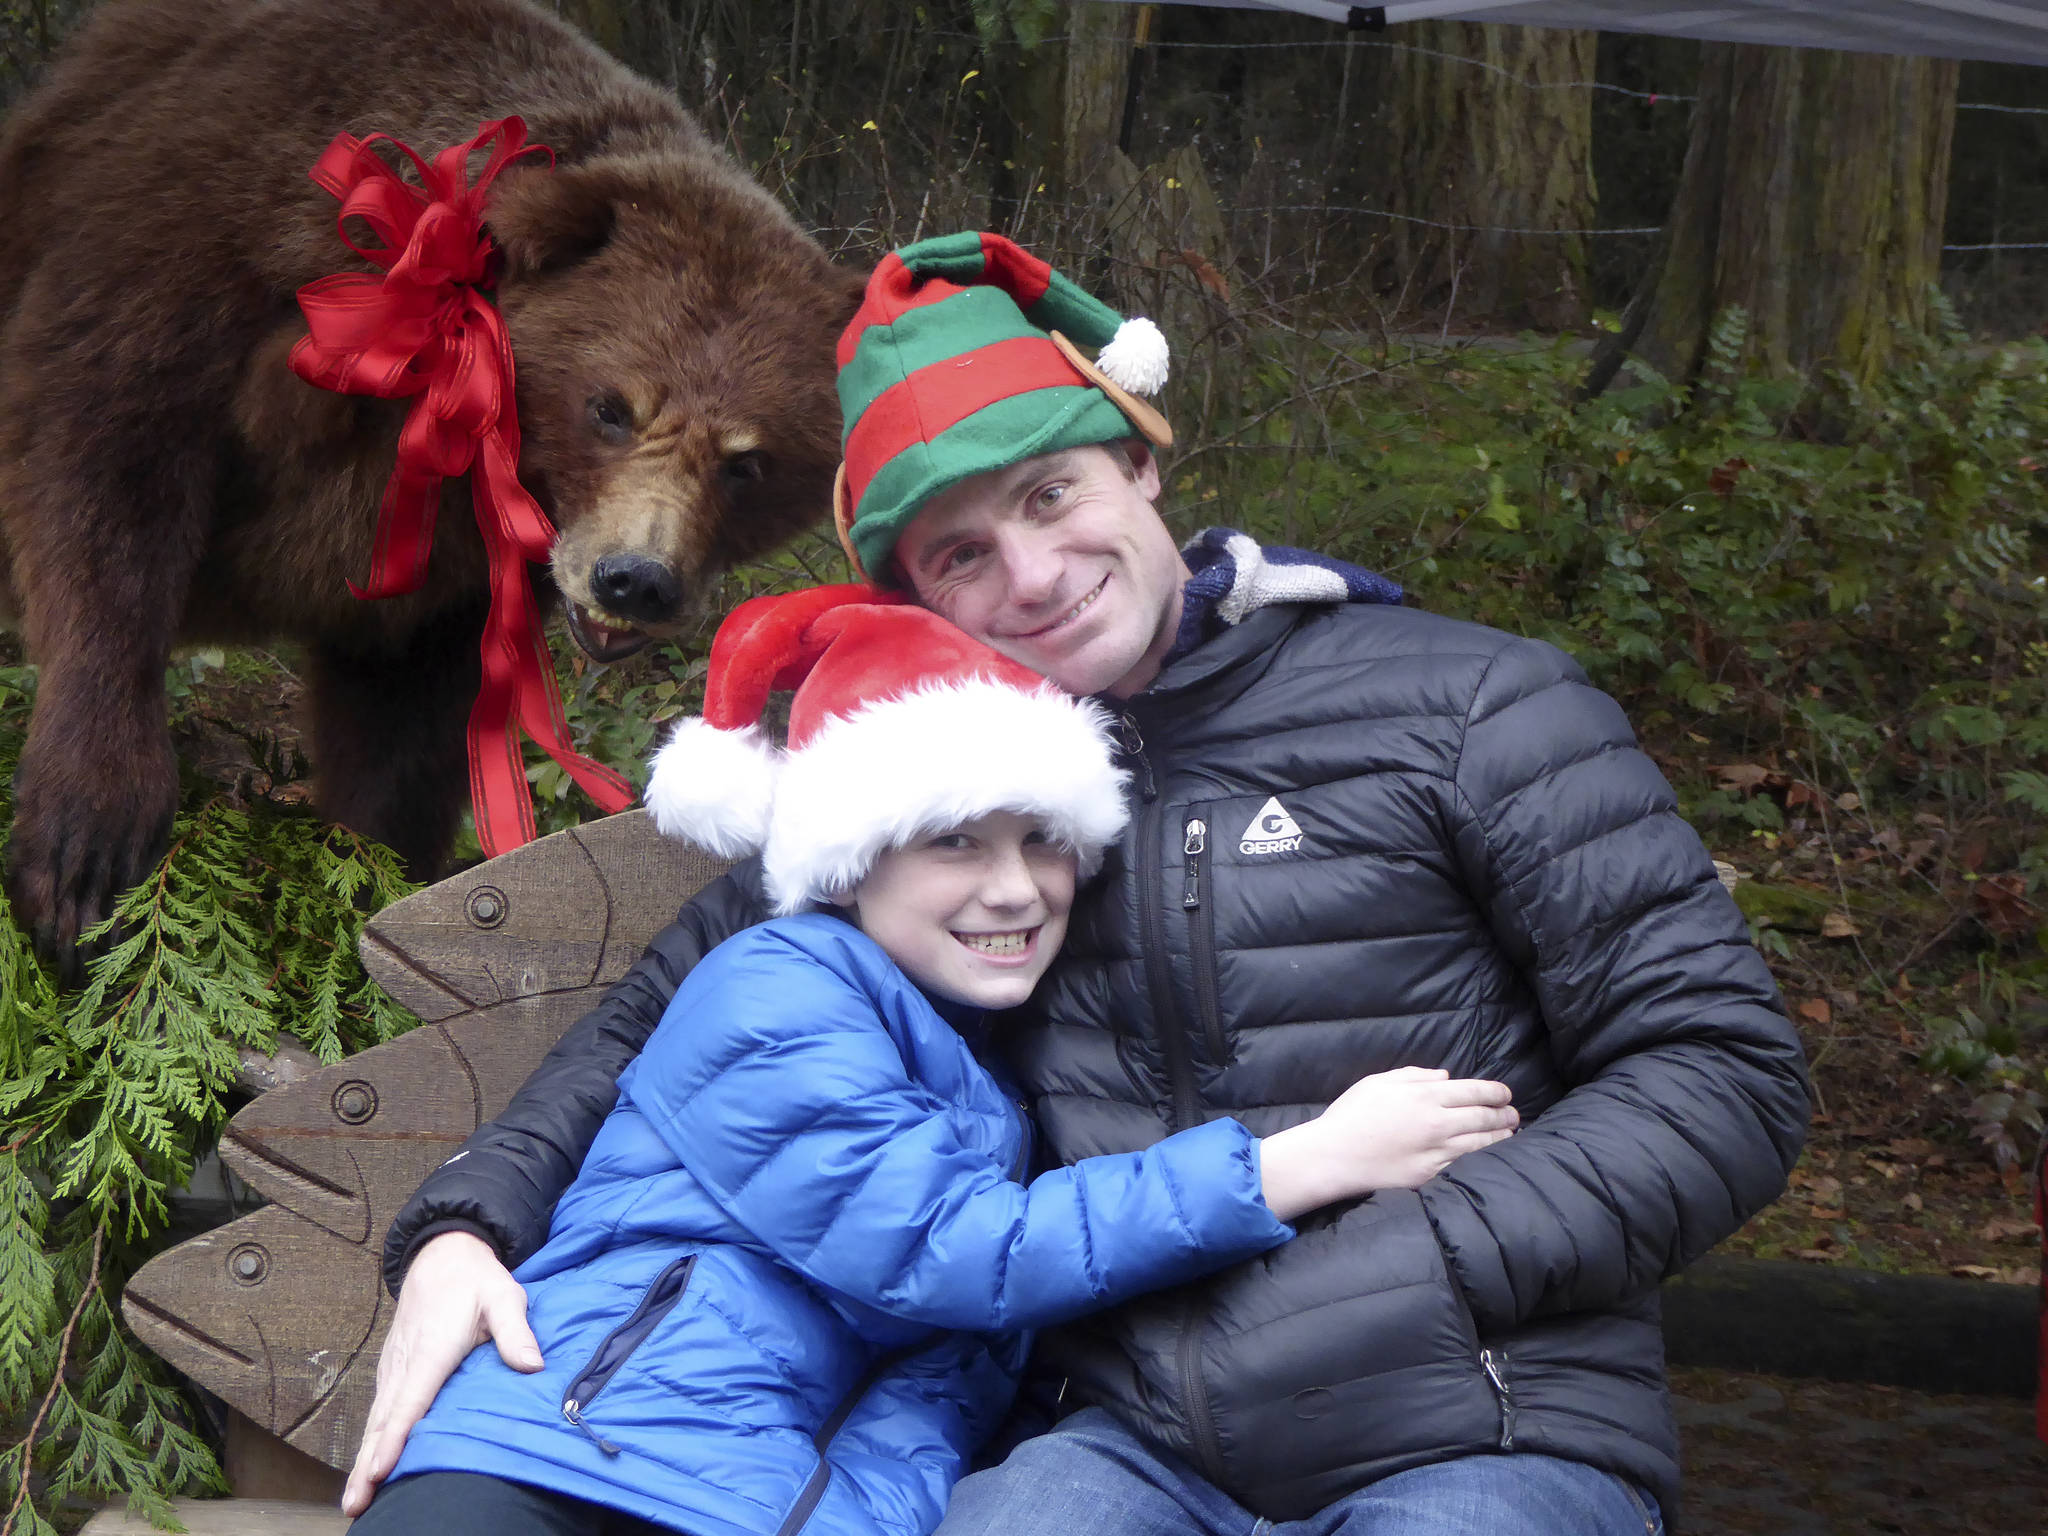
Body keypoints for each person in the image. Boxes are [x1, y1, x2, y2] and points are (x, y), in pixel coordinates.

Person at [344, 232, 1810, 1535]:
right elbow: (668, 1015)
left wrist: (1432, 1262)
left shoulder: (1469, 705)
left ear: (1143, 460)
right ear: (915, 599)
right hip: (1119, 1433)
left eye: (1056, 495)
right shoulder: (955, 793)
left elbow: (1720, 1066)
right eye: (964, 555)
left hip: (1473, 1405)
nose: (1035, 576)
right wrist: (468, 1222)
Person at [347, 585, 1521, 1536]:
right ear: (851, 864)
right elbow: (959, 1255)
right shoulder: (781, 989)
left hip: (750, 1499)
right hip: (565, 1463)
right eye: (954, 841)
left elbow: (936, 1388)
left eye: (1042, 841)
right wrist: (1296, 1162)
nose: (1012, 889)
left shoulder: (992, 1083)